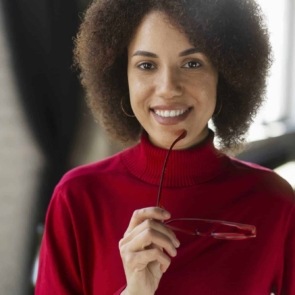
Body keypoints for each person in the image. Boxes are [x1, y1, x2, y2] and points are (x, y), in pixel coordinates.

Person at [35, 0, 295, 294]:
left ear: (224, 75)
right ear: (123, 79)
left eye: (192, 63)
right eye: (146, 65)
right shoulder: (77, 198)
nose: (168, 87)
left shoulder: (275, 202)